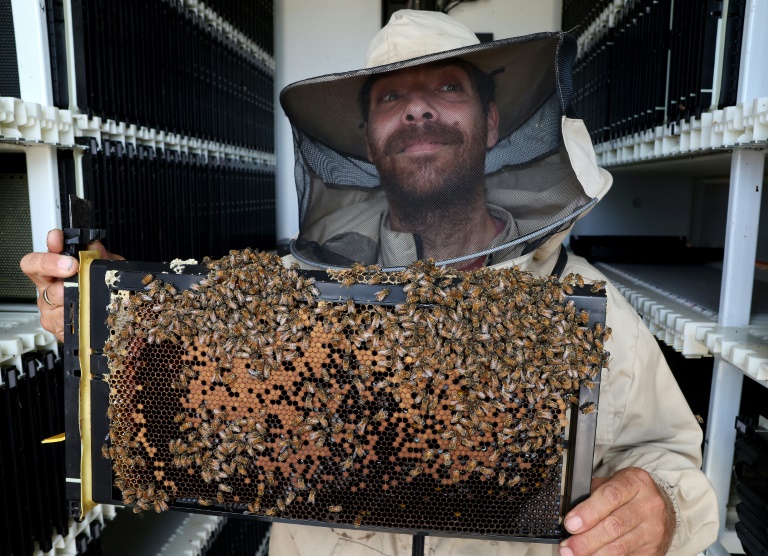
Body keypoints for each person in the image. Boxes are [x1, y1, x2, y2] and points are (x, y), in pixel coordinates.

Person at [22, 9, 718, 556]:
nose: (419, 110)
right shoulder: (284, 296)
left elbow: (676, 463)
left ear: (493, 121)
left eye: (447, 87)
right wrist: (105, 318)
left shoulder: (583, 304)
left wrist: (661, 510)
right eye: (393, 97)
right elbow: (188, 406)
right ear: (364, 137)